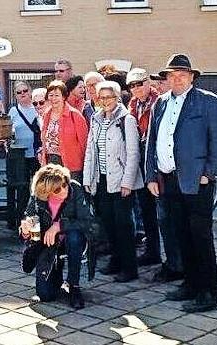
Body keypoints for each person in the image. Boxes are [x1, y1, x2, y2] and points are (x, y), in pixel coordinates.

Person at [145, 54, 217, 313]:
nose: (176, 79)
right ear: (166, 79)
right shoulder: (160, 103)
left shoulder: (209, 102)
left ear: (192, 77)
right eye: (172, 75)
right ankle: (190, 284)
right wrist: (150, 175)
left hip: (196, 181)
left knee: (200, 238)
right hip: (168, 180)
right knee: (180, 235)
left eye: (182, 74)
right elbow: (151, 141)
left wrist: (210, 173)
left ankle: (209, 293)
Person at [82, 81, 142, 283]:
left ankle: (129, 267)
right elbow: (90, 150)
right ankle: (116, 261)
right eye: (101, 97)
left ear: (117, 98)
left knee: (124, 226)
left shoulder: (128, 120)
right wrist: (87, 178)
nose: (105, 101)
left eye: (109, 97)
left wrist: (128, 182)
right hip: (102, 180)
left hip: (121, 180)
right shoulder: (95, 119)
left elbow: (133, 154)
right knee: (109, 224)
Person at [20, 164, 93, 309]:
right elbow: (30, 225)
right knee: (45, 295)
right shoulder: (37, 198)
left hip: (72, 240)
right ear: (47, 192)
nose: (64, 189)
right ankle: (56, 275)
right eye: (57, 189)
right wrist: (26, 230)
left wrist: (59, 225)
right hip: (49, 243)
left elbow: (88, 222)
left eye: (65, 184)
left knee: (74, 236)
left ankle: (74, 285)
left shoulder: (75, 189)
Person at [125, 68, 164, 271]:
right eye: (132, 85)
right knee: (146, 208)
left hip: (156, 161)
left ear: (148, 82)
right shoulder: (133, 104)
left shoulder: (159, 102)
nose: (136, 88)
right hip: (139, 158)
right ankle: (153, 251)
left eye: (139, 83)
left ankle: (170, 257)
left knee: (163, 211)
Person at [8, 81, 41, 230]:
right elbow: (8, 131)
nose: (22, 94)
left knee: (36, 190)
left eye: (25, 91)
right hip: (19, 156)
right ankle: (22, 226)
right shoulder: (13, 111)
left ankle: (35, 223)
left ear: (30, 91)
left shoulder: (38, 108)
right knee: (21, 190)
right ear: (15, 95)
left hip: (36, 155)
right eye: (19, 92)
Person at [40, 80, 88, 181]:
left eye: (57, 95)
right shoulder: (46, 114)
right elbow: (44, 141)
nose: (53, 98)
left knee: (71, 195)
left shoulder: (75, 115)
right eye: (51, 95)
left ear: (64, 96)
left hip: (71, 165)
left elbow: (84, 144)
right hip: (51, 162)